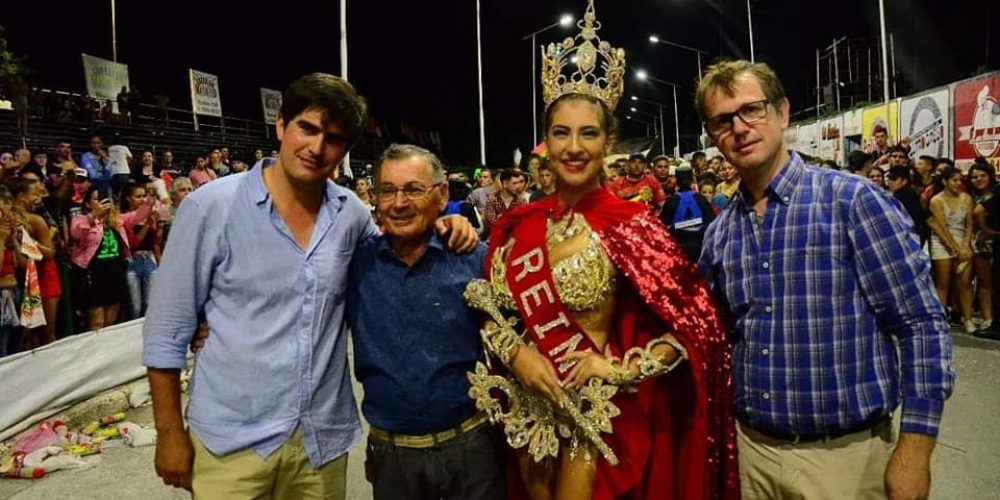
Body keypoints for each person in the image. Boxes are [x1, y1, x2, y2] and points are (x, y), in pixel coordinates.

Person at [142, 73, 477, 497]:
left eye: (333, 138)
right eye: (308, 128)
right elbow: (165, 333)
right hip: (233, 445)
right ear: (281, 125)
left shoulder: (351, 215)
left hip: (320, 445)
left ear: (344, 150)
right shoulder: (211, 208)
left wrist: (443, 222)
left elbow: (395, 254)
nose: (317, 148)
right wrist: (169, 434)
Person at [466, 4, 737, 498]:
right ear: (544, 142)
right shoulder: (514, 226)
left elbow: (696, 330)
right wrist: (517, 352)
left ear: (608, 140)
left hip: (596, 420)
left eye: (588, 133)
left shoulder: (632, 224)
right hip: (524, 419)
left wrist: (616, 368)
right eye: (561, 133)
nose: (573, 147)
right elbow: (490, 312)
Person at [696, 59, 954, 500]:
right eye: (723, 121)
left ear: (781, 112)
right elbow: (713, 336)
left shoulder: (853, 202)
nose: (740, 128)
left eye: (752, 110)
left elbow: (921, 324)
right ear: (714, 137)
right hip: (751, 456)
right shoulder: (721, 233)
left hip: (845, 463)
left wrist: (915, 449)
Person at [348, 144, 503, 500]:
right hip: (393, 458)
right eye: (388, 190)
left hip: (473, 448)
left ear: (442, 194)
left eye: (414, 189)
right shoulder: (354, 266)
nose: (399, 202)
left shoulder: (473, 258)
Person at [928, 166, 976, 333]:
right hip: (941, 241)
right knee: (943, 283)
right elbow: (942, 227)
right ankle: (941, 319)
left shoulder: (967, 198)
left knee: (964, 282)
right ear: (945, 181)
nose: (958, 183)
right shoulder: (936, 200)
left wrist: (965, 244)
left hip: (963, 240)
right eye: (954, 180)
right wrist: (954, 247)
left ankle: (968, 319)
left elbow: (970, 224)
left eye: (960, 180)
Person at [660, 164, 716, 262]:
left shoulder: (671, 201)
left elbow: (663, 225)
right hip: (700, 248)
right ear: (692, 181)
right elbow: (712, 223)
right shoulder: (701, 199)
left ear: (676, 181)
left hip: (678, 250)